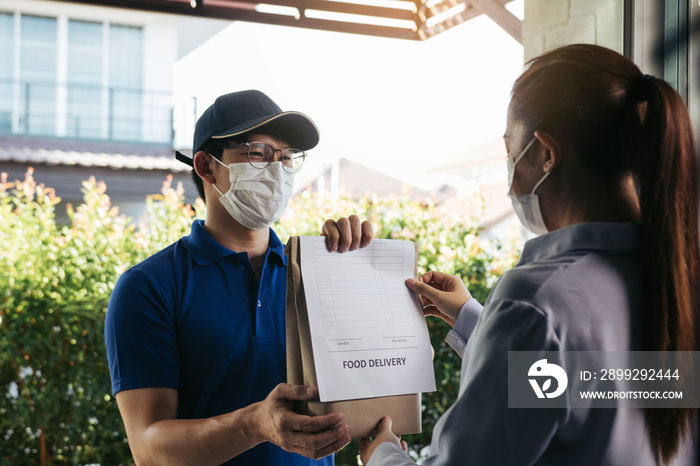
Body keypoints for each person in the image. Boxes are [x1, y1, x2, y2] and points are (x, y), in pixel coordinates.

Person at [360, 44, 699, 465]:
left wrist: (381, 454)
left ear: (546, 154)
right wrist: (469, 316)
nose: (509, 171)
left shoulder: (537, 301)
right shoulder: (679, 280)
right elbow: (595, 382)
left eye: (510, 150)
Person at [105, 90, 373, 465]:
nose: (277, 169)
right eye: (258, 153)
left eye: (286, 157)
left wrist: (363, 273)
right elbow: (148, 447)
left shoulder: (316, 274)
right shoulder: (149, 287)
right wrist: (253, 425)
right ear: (206, 166)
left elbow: (370, 384)